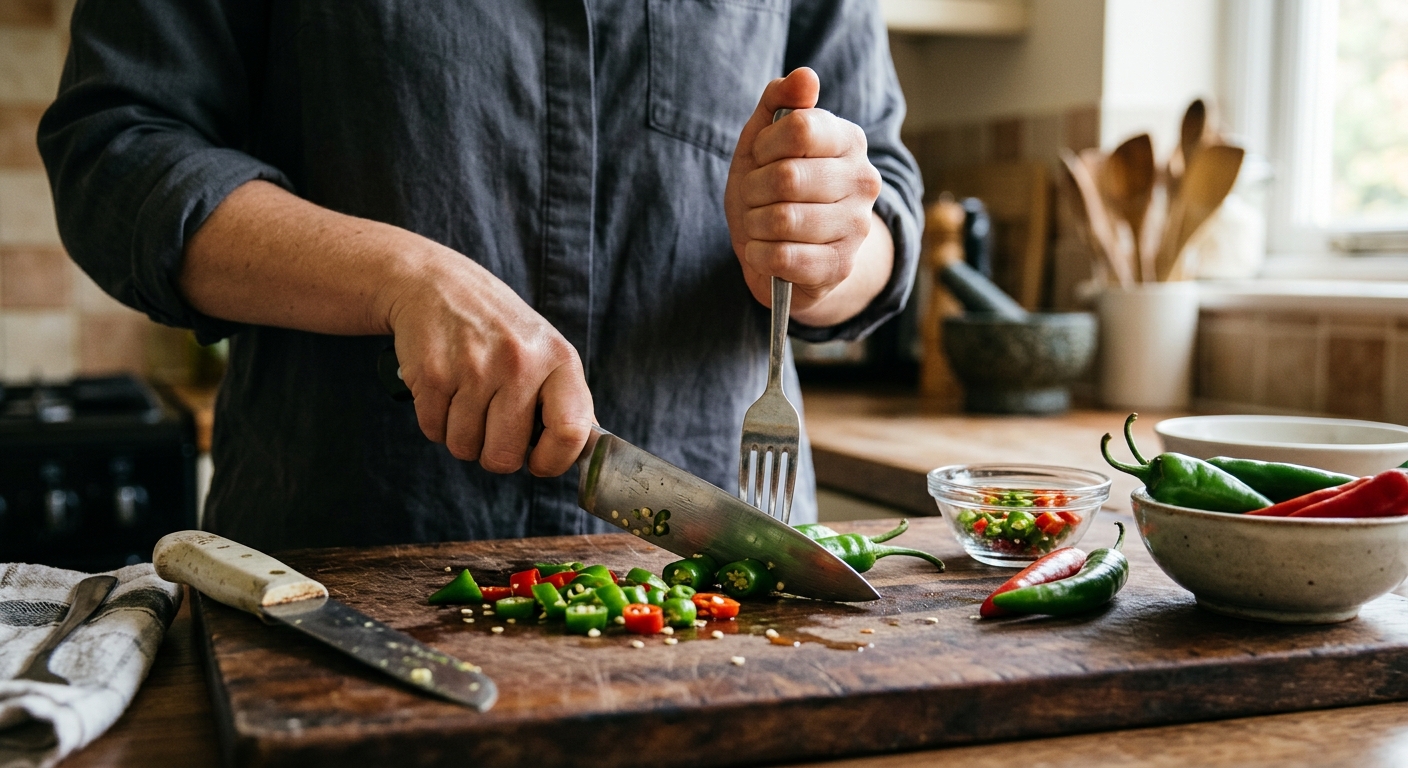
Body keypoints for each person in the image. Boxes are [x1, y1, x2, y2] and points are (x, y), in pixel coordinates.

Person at [38, 1, 923, 552]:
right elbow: (115, 152)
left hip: (722, 572)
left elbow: (883, 211)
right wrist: (399, 275)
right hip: (345, 568)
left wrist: (829, 248)